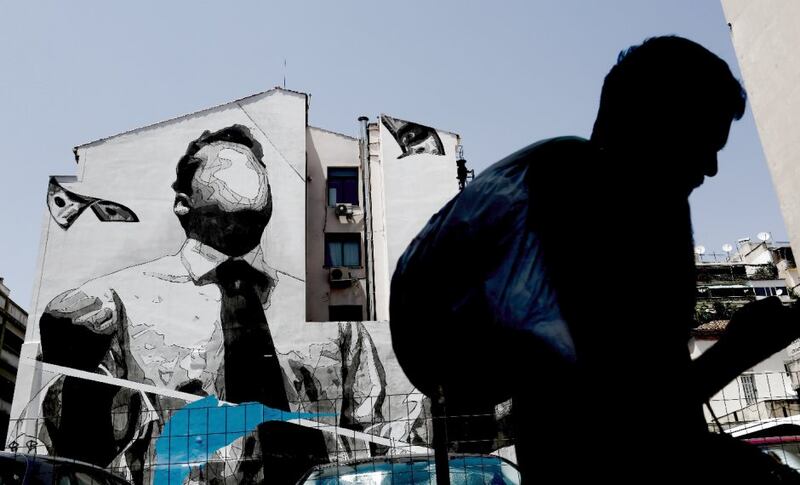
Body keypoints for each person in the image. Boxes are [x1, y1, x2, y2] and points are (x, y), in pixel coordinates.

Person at [390, 36, 800, 482]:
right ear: (655, 124)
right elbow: (633, 421)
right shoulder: (590, 200)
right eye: (703, 142)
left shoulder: (562, 177)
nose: (711, 168)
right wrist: (739, 349)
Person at [26, 125, 387, 484]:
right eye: (222, 162)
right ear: (183, 203)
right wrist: (78, 382)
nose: (243, 169)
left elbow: (372, 435)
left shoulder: (327, 310)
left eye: (254, 164)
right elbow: (81, 454)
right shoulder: (114, 303)